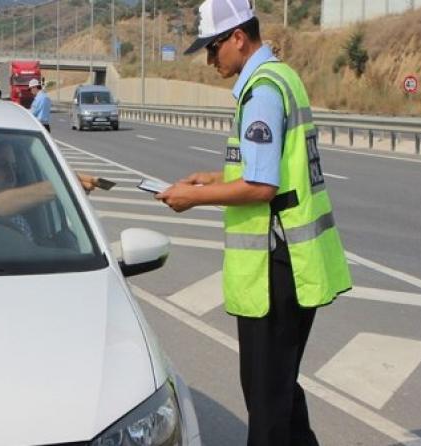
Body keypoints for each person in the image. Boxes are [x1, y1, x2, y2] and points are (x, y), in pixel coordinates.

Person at [156, 1, 352, 445]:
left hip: (275, 266)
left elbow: (261, 187)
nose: (210, 60)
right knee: (280, 388)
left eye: (213, 48)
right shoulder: (282, 76)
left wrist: (194, 197)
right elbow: (272, 170)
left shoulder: (261, 91)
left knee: (265, 400)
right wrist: (213, 178)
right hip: (293, 260)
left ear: (238, 38)